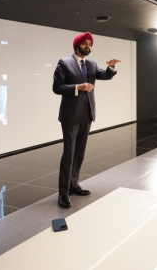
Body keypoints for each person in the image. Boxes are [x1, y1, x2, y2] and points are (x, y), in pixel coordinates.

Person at [52, 32, 120, 209]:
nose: (88, 46)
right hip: (70, 116)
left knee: (79, 153)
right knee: (69, 153)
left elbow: (103, 75)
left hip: (87, 114)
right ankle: (63, 193)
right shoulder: (64, 63)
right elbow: (57, 87)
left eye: (90, 44)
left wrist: (111, 68)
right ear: (77, 45)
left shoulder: (91, 64)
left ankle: (74, 185)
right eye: (85, 43)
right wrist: (78, 87)